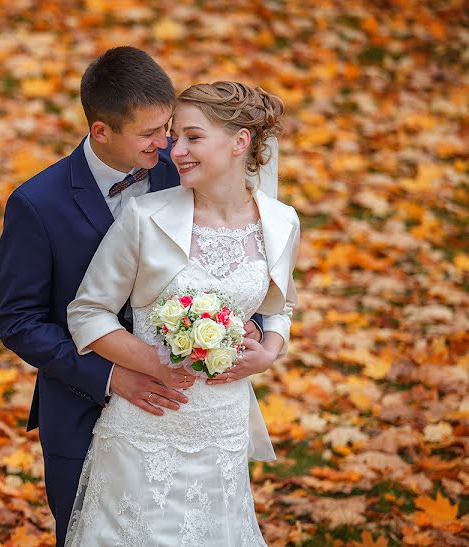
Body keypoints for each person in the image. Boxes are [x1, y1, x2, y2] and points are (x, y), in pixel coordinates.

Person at [0, 46, 281, 544]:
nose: (166, 143)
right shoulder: (38, 203)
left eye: (168, 126)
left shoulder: (187, 170)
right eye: (150, 133)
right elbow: (19, 320)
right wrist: (110, 375)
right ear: (101, 131)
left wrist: (256, 329)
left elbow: (241, 254)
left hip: (190, 410)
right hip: (83, 403)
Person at [65, 81, 299, 545]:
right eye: (175, 138)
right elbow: (88, 313)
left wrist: (268, 352)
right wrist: (157, 364)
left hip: (223, 431)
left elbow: (281, 306)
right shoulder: (144, 218)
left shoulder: (281, 222)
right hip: (145, 427)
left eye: (193, 137)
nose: (175, 151)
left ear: (240, 142)